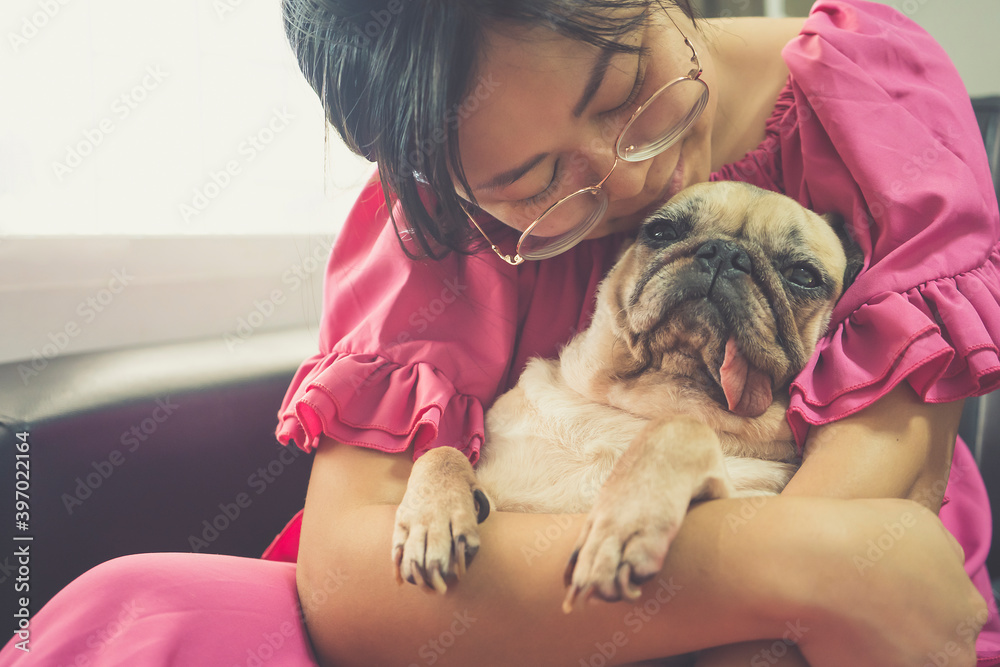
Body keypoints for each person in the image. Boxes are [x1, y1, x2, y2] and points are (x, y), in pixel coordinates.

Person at [0, 1, 996, 666]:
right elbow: (354, 578)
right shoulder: (443, 223)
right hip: (488, 627)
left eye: (625, 93)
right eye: (529, 184)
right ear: (440, 180)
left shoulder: (871, 96)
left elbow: (872, 518)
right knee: (133, 612)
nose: (630, 173)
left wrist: (807, 566)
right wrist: (785, 563)